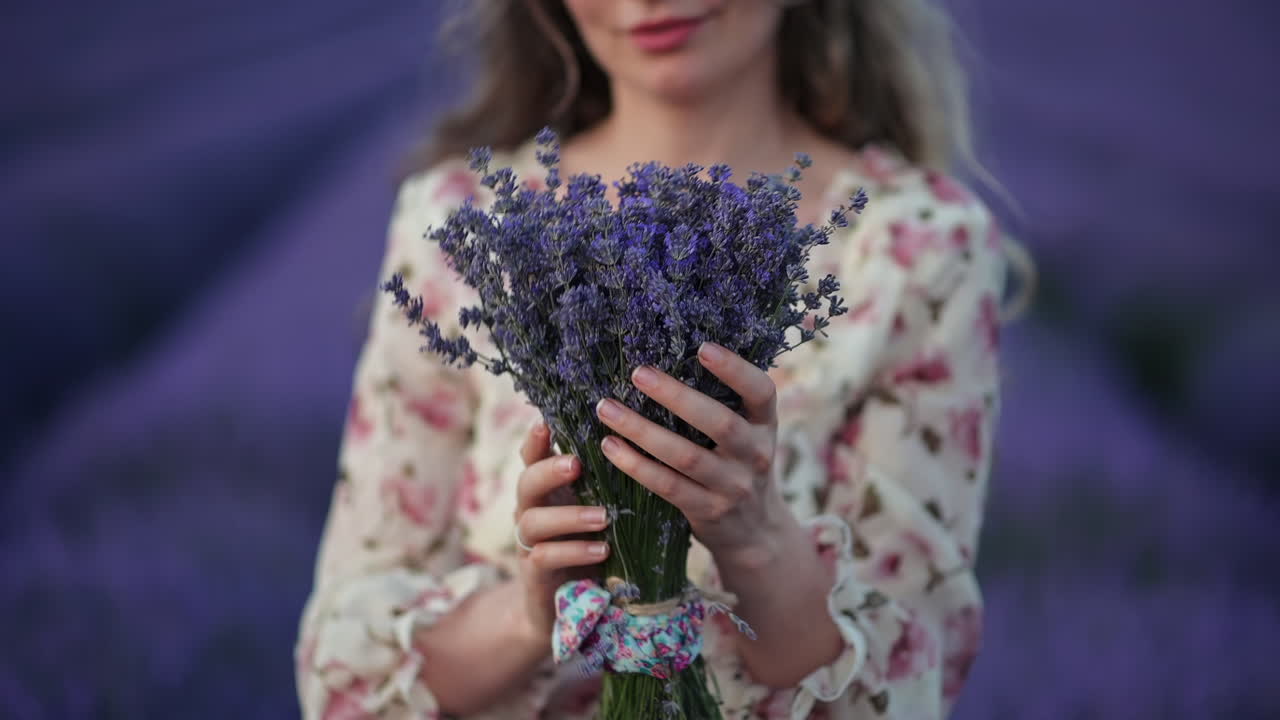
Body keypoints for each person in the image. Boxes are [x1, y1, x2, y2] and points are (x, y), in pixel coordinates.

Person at [295, 1, 1023, 717]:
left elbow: (910, 678)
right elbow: (344, 667)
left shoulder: (920, 250)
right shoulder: (464, 229)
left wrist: (760, 541)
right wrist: (531, 611)